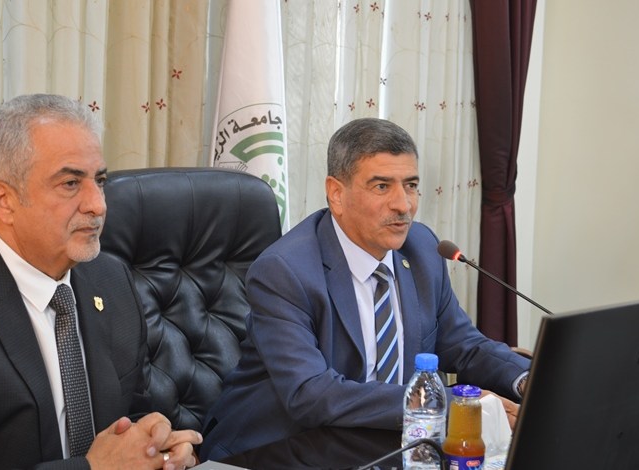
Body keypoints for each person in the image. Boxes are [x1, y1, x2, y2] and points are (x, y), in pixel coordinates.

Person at [0, 94, 201, 469]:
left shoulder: (111, 279)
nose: (98, 205)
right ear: (3, 200)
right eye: (70, 183)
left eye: (100, 181)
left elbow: (132, 415)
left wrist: (157, 446)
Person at [200, 117, 531, 461]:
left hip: (383, 442)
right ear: (336, 194)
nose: (403, 205)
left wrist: (527, 381)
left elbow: (465, 346)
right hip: (276, 448)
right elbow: (311, 394)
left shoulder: (421, 249)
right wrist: (450, 403)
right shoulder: (284, 271)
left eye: (411, 185)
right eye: (382, 186)